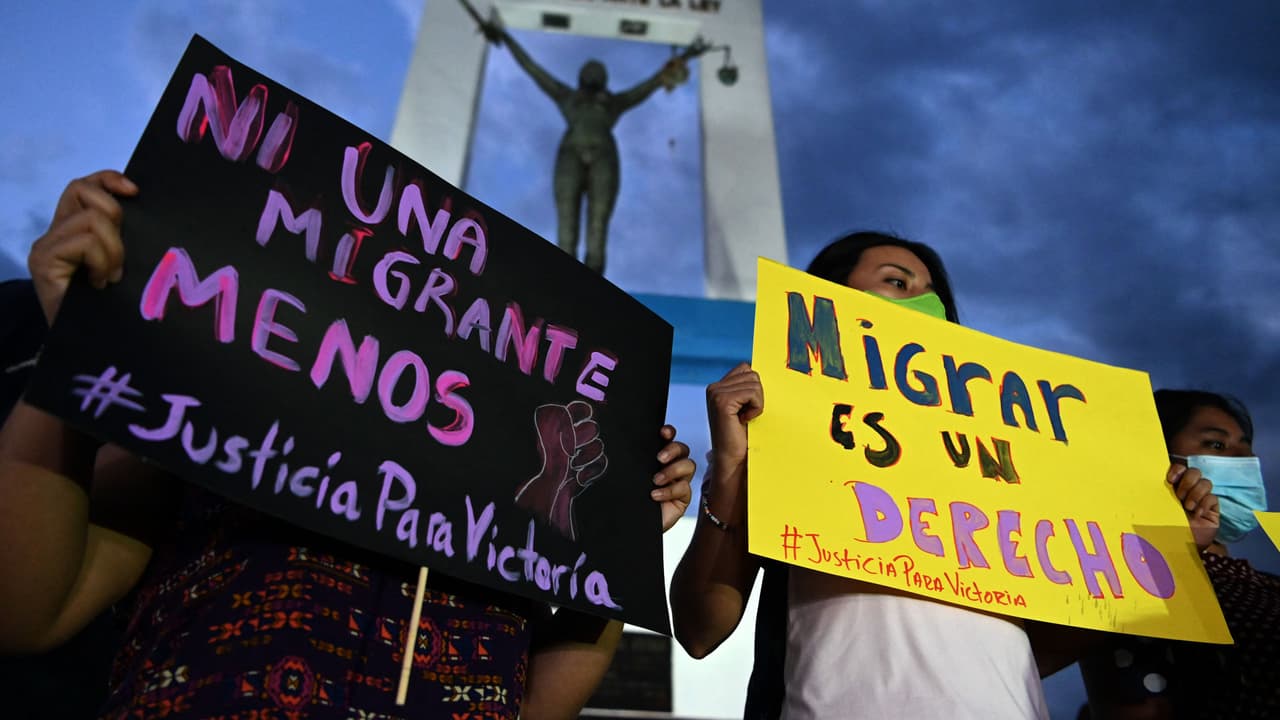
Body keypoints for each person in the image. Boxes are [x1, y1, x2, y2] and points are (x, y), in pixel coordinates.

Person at [0, 171, 696, 720]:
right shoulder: (217, 418)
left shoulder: (512, 510)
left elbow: (539, 705)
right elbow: (30, 612)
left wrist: (617, 540)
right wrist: (79, 347)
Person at [669, 231, 1058, 719]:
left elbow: (1058, 630)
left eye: (933, 295)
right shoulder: (781, 431)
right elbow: (700, 629)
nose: (925, 304)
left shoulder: (1002, 455)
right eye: (897, 282)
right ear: (825, 302)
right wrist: (731, 466)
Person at [1077, 389, 1278, 719]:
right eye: (1216, 445)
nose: (1244, 460)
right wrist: (1175, 549)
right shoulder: (1126, 580)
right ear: (1156, 455)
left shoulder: (1267, 586)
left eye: (1247, 448)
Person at [478, 15, 705, 274]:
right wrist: (505, 38)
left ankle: (593, 286)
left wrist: (685, 57)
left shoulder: (614, 102)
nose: (593, 73)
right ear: (581, 77)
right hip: (570, 153)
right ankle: (563, 283)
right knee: (566, 226)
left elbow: (651, 84)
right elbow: (533, 68)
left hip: (604, 156)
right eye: (589, 71)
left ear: (605, 79)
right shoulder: (566, 96)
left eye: (598, 72)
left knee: (598, 226)